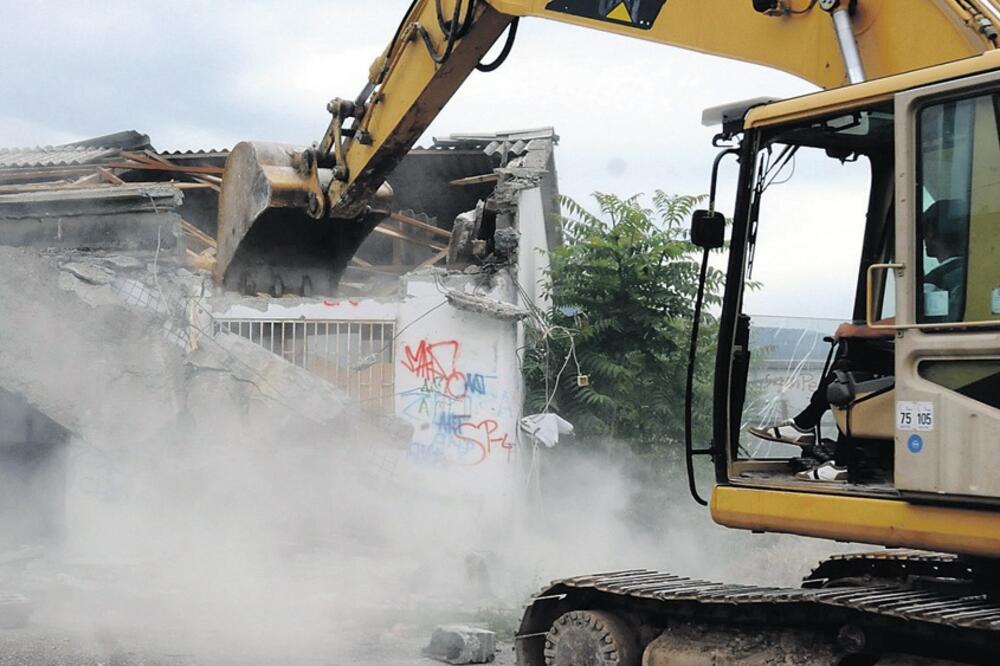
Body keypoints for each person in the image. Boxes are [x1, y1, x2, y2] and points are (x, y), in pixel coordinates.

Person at [748, 199, 968, 482]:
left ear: (937, 234)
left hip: (938, 361)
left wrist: (857, 331)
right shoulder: (963, 275)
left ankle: (823, 441)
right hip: (946, 356)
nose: (924, 242)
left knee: (853, 359)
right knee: (854, 360)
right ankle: (825, 444)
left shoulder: (947, 276)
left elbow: (917, 320)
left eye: (926, 233)